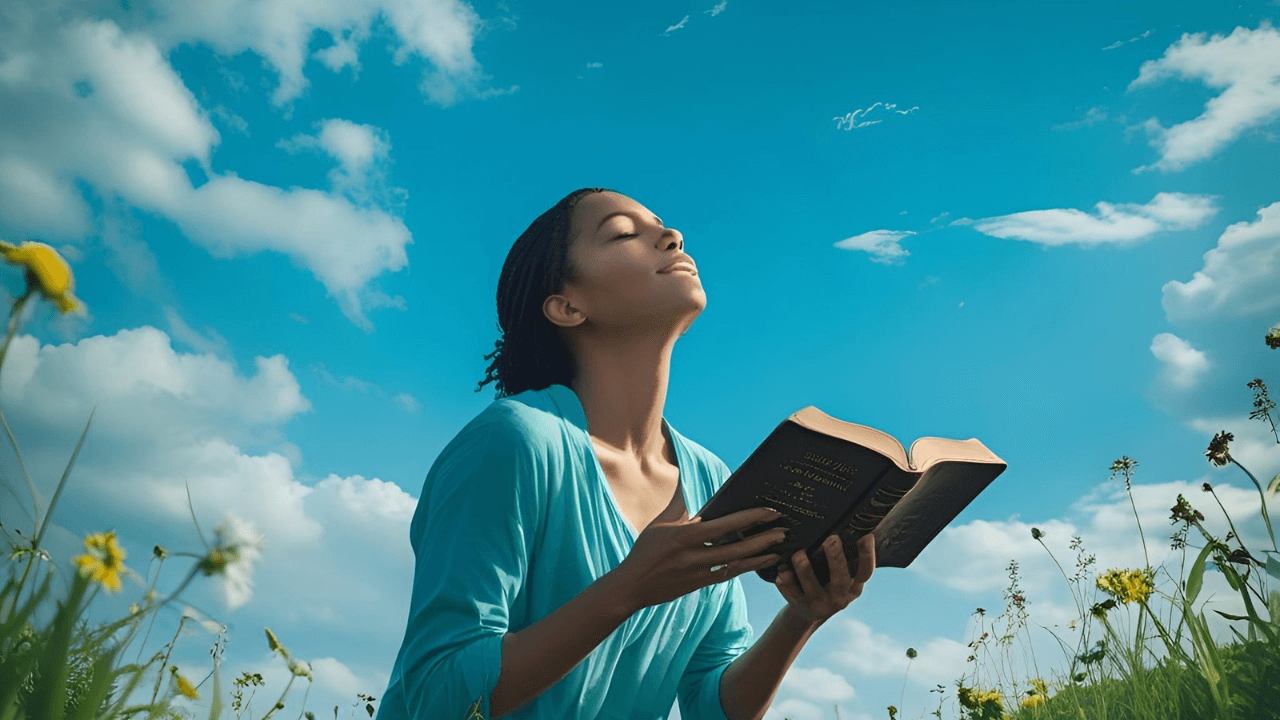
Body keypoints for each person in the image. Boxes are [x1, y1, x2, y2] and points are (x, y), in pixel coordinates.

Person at [376, 188, 876, 720]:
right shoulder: (512, 442)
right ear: (568, 306)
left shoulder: (710, 478)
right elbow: (437, 695)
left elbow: (711, 703)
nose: (672, 236)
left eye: (662, 225)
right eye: (621, 233)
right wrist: (627, 589)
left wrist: (802, 616)